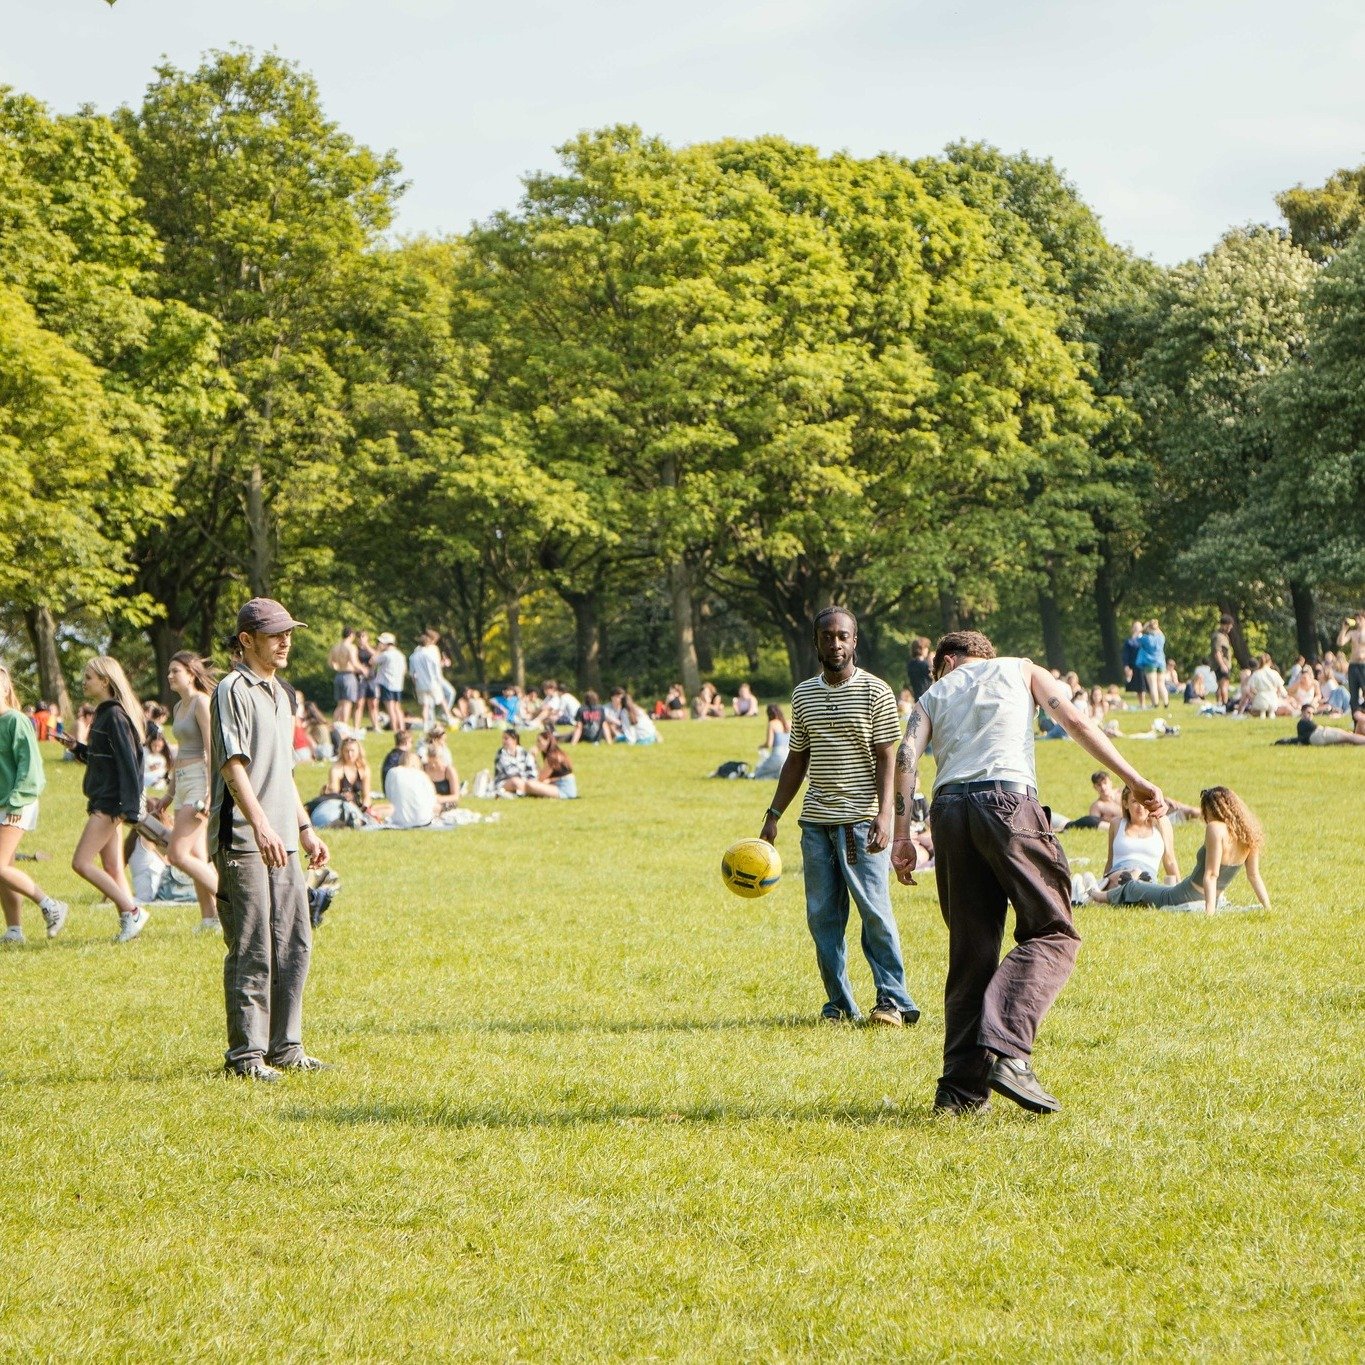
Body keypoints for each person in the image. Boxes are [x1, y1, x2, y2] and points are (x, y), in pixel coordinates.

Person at [891, 630, 1165, 1115]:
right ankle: (1009, 1051)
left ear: (948, 660)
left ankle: (959, 1095)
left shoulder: (933, 694)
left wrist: (901, 835)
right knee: (1055, 931)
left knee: (971, 954)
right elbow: (1076, 721)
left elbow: (907, 757)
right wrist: (1134, 780)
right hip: (1008, 804)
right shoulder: (1021, 668)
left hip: (949, 813)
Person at [759, 607, 919, 1029]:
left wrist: (885, 814)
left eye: (842, 636)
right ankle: (839, 1005)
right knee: (823, 919)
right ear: (816, 642)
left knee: (874, 913)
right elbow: (797, 758)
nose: (835, 643)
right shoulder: (803, 695)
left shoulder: (876, 692)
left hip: (861, 821)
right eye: (827, 636)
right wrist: (774, 814)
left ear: (855, 641)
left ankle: (893, 1000)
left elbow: (889, 757)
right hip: (816, 824)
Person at [210, 598, 331, 1081]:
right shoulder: (231, 689)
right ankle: (246, 1056)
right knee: (252, 946)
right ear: (246, 640)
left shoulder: (283, 694)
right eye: (275, 634)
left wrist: (303, 826)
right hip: (244, 839)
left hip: (282, 838)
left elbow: (283, 772)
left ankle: (287, 1047)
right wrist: (259, 824)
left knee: (295, 941)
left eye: (289, 633)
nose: (285, 641)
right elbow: (232, 764)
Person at [58, 656, 149, 943]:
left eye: (88, 678)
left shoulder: (114, 716)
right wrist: (78, 748)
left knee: (81, 863)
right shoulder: (104, 714)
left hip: (110, 804)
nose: (83, 682)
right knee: (111, 867)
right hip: (105, 800)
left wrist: (129, 808)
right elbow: (105, 761)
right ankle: (130, 920)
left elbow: (129, 764)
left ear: (105, 681)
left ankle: (132, 911)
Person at [1093, 786, 1270, 915]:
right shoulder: (1248, 834)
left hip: (1185, 894)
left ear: (1212, 809)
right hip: (1212, 896)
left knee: (1133, 886)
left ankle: (1095, 895)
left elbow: (1211, 875)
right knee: (1146, 887)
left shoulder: (1216, 828)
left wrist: (1209, 913)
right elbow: (1254, 876)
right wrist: (1267, 907)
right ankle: (1102, 892)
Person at [0, 662, 68, 944]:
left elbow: (31, 770)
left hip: (18, 802)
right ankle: (14, 930)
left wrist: (15, 803)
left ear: (5, 687)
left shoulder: (16, 721)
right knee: (6, 869)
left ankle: (51, 905)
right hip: (3, 803)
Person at [154, 652, 222, 933]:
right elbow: (180, 754)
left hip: (199, 781)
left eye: (175, 671)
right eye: (169, 671)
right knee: (196, 855)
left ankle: (234, 902)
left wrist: (209, 792)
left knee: (177, 854)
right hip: (182, 780)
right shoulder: (180, 706)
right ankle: (210, 919)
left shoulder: (200, 703)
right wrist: (169, 795)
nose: (170, 676)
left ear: (191, 674)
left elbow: (211, 748)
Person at [1086, 785, 1180, 896]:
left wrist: (1180, 890)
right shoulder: (1117, 824)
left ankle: (1112, 893)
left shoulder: (1162, 824)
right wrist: (1103, 882)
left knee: (1141, 879)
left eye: (1144, 802)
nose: (1140, 807)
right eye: (1135, 801)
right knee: (1133, 877)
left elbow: (1170, 860)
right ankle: (1128, 887)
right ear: (1125, 804)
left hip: (1147, 875)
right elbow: (1110, 859)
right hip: (1119, 874)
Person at [312, 736, 375, 827]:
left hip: (358, 806)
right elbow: (334, 792)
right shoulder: (336, 769)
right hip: (339, 804)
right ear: (342, 752)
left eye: (352, 751)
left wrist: (365, 809)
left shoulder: (364, 769)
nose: (350, 754)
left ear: (358, 751)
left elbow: (366, 796)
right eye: (347, 751)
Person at [384, 750, 441, 828]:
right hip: (424, 820)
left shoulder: (392, 772)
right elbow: (433, 799)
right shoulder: (422, 775)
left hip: (399, 820)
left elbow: (389, 796)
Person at [409, 630, 453, 729]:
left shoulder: (413, 656)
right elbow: (436, 668)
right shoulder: (430, 655)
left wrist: (415, 684)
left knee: (425, 705)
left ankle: (425, 726)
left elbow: (412, 673)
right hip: (432, 682)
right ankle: (449, 719)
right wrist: (438, 680)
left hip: (420, 684)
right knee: (442, 700)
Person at [493, 727, 545, 796]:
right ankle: (533, 791)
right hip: (505, 781)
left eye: (506, 739)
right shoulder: (500, 754)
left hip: (524, 781)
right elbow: (510, 772)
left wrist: (530, 779)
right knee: (515, 781)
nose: (503, 741)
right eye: (503, 738)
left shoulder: (524, 752)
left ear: (515, 740)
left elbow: (531, 768)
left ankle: (530, 790)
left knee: (532, 782)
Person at [328, 628, 362, 727]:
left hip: (339, 675)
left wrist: (338, 667)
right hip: (348, 675)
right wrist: (363, 670)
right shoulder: (351, 647)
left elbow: (331, 662)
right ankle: (344, 725)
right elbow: (354, 662)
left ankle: (334, 725)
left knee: (340, 704)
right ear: (351, 635)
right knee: (347, 703)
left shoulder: (335, 647)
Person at [751, 703, 791, 781]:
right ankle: (780, 773)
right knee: (773, 771)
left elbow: (769, 744)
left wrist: (761, 746)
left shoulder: (772, 724)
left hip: (778, 755)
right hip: (789, 755)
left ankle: (778, 774)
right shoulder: (789, 723)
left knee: (758, 775)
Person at [534, 728, 578, 798]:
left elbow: (540, 779)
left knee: (530, 785)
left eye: (539, 741)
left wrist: (533, 759)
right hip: (566, 786)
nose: (537, 744)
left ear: (548, 741)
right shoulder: (556, 752)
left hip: (564, 789)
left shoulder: (552, 757)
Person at [1294, 704, 1365, 746]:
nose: (1310, 715)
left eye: (1312, 713)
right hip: (1322, 735)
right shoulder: (1303, 723)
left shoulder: (1303, 724)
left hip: (1321, 737)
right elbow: (1318, 728)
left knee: (1349, 739)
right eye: (1308, 712)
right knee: (1349, 736)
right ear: (1302, 712)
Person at [422, 724, 461, 797]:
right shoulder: (423, 750)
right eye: (443, 739)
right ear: (435, 739)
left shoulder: (445, 751)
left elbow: (455, 796)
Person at [1137, 618, 1168, 709]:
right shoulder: (1161, 637)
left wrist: (1144, 627)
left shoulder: (1146, 639)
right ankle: (1166, 702)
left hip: (1150, 663)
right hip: (1161, 662)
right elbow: (1160, 632)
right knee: (1161, 684)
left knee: (1153, 684)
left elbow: (1138, 636)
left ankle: (1156, 703)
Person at [354, 629, 381, 733]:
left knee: (373, 703)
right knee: (359, 704)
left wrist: (367, 646)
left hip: (372, 678)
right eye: (359, 637)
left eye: (363, 637)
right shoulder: (355, 650)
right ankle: (356, 727)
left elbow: (377, 657)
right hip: (360, 679)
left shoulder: (371, 649)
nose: (361, 639)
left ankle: (376, 726)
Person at [1338, 611, 1365, 714]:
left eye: (1360, 619)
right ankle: (1355, 721)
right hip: (1353, 666)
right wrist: (1344, 629)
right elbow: (1340, 642)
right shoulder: (1352, 633)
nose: (1358, 621)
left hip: (1363, 665)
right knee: (1354, 695)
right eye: (1356, 619)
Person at [1209, 615, 1235, 708]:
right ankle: (1225, 704)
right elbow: (1217, 652)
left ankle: (1219, 704)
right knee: (1224, 685)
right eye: (1229, 626)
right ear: (1224, 625)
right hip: (1221, 665)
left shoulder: (1224, 636)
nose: (1230, 629)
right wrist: (1222, 665)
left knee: (1221, 686)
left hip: (1224, 664)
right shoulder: (1218, 637)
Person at [1122, 620, 1147, 708]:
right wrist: (1126, 666)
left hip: (1144, 665)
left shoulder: (1145, 639)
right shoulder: (1129, 641)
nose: (1136, 629)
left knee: (1144, 685)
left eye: (1138, 627)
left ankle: (1146, 704)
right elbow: (1125, 654)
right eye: (1135, 627)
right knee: (1138, 686)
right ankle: (1141, 704)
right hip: (1134, 665)